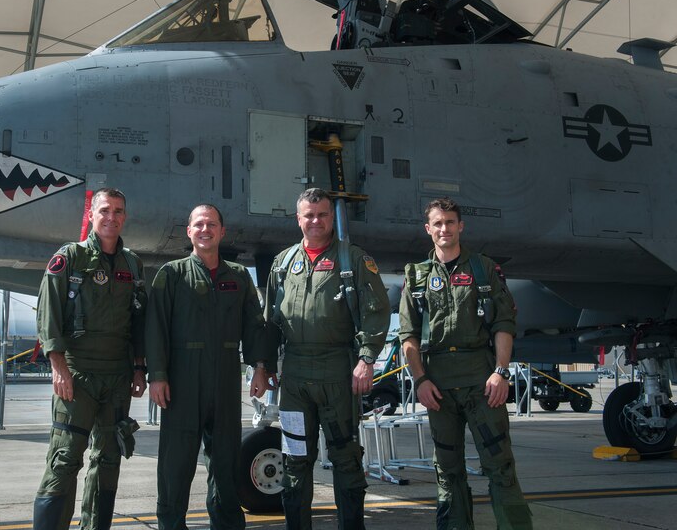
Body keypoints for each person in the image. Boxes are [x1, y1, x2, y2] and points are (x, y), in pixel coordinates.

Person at [398, 197, 532, 529]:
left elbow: (503, 324)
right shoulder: (416, 276)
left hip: (483, 384)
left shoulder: (482, 269)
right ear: (428, 229)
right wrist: (420, 380)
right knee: (448, 471)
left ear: (461, 226)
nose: (445, 228)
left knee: (500, 466)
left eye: (450, 222)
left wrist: (501, 373)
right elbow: (408, 336)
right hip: (438, 388)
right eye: (438, 223)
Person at [264, 188, 390, 530]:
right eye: (309, 215)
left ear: (331, 218)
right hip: (294, 378)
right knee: (294, 460)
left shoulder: (354, 260)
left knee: (346, 459)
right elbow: (270, 320)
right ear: (298, 219)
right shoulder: (283, 263)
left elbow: (377, 313)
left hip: (338, 372)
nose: (315, 221)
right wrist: (262, 366)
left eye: (321, 214)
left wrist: (366, 359)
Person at [145, 204, 274, 530]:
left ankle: (228, 524)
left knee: (226, 461)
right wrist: (157, 375)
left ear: (222, 231)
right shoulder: (172, 274)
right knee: (177, 463)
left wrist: (260, 367)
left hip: (225, 380)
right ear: (189, 232)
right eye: (199, 225)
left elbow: (254, 325)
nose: (206, 230)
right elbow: (155, 327)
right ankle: (171, 524)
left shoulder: (238, 276)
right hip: (182, 380)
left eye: (212, 224)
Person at [33, 188, 148, 530]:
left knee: (109, 458)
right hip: (77, 374)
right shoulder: (70, 258)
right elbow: (48, 312)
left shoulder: (133, 263)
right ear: (92, 215)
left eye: (118, 211)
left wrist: (139, 367)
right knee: (65, 458)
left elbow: (139, 321)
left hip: (117, 377)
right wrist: (58, 366)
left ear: (124, 216)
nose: (111, 217)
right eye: (105, 210)